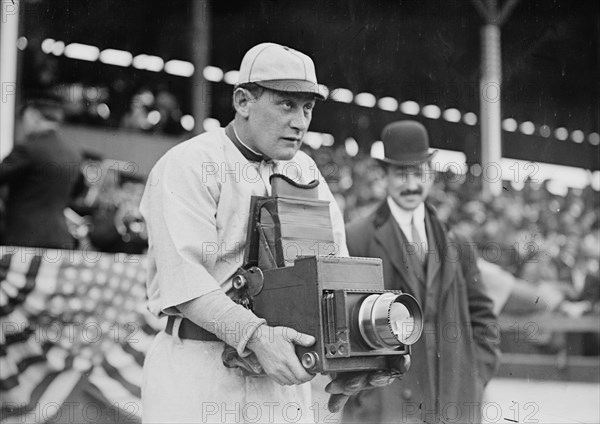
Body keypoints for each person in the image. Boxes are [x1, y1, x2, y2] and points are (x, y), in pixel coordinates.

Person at [139, 42, 403, 424]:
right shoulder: (189, 163)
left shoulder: (304, 171)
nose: (300, 121)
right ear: (243, 101)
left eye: (308, 107)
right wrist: (258, 336)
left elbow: (336, 272)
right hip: (199, 366)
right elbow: (185, 281)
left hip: (278, 379)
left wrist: (356, 358)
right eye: (286, 104)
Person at [342, 121, 501, 424]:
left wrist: (475, 378)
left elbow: (483, 317)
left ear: (430, 174)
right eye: (401, 174)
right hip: (386, 409)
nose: (411, 184)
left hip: (452, 405)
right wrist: (365, 393)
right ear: (383, 176)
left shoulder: (457, 242)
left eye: (418, 173)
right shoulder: (356, 237)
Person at [0, 93, 84, 249]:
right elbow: (78, 191)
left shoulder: (28, 148)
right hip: (60, 240)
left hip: (24, 240)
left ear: (33, 115)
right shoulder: (73, 153)